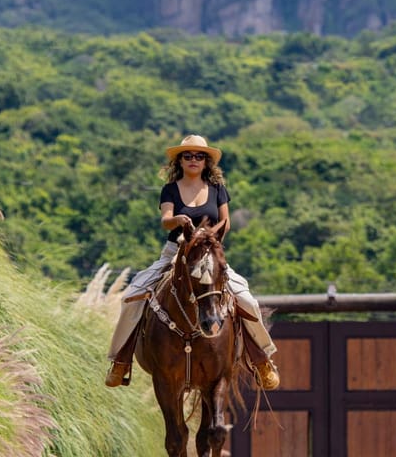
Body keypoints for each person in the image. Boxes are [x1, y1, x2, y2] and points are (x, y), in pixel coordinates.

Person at [105, 134, 280, 390]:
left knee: (247, 301)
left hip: (209, 254)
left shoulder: (218, 189)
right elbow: (166, 219)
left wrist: (209, 240)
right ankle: (121, 361)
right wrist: (178, 221)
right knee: (132, 296)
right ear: (180, 160)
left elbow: (226, 222)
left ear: (207, 161)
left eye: (199, 156)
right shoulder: (170, 189)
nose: (194, 160)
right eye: (188, 155)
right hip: (176, 253)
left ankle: (262, 359)